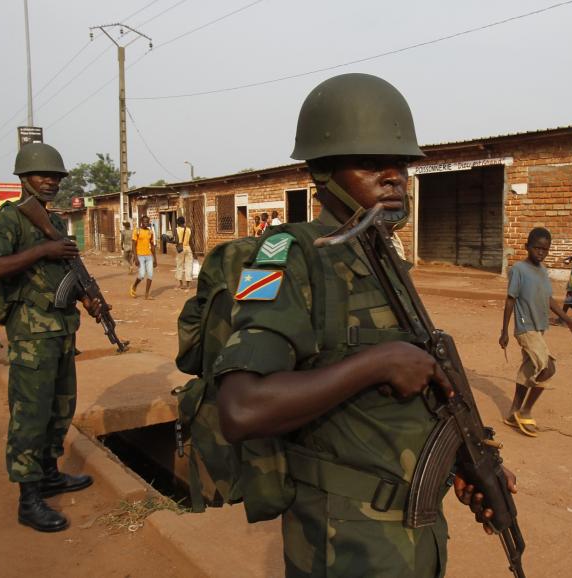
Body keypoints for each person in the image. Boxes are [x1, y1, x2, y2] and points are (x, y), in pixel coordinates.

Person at [214, 73, 515, 577]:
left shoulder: (380, 255)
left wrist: (468, 462)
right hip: (345, 543)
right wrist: (376, 363)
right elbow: (242, 409)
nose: (394, 177)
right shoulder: (281, 257)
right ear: (322, 171)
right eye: (372, 164)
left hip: (411, 533)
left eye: (400, 164)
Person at [0, 143, 103, 533]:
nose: (50, 182)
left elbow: (63, 272)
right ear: (23, 178)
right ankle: (28, 498)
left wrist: (88, 297)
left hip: (61, 332)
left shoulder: (57, 223)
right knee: (31, 414)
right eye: (42, 175)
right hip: (31, 334)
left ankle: (49, 472)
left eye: (56, 177)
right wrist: (43, 249)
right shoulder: (9, 221)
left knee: (60, 408)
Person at [500, 227, 572, 438]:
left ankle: (513, 414)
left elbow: (549, 300)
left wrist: (569, 321)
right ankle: (526, 410)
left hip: (539, 327)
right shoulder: (518, 269)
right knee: (548, 367)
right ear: (527, 247)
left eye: (545, 249)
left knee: (529, 370)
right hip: (525, 327)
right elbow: (510, 300)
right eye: (537, 248)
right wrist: (504, 331)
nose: (541, 252)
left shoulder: (543, 271)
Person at [131, 215, 157, 299]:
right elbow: (133, 245)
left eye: (147, 222)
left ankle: (146, 294)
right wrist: (135, 257)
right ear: (141, 222)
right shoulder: (137, 231)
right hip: (140, 256)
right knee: (142, 275)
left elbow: (152, 246)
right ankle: (134, 286)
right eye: (144, 221)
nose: (146, 223)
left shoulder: (150, 232)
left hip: (149, 256)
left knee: (150, 275)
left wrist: (155, 259)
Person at [173, 216, 193, 290]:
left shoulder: (176, 230)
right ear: (184, 222)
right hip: (188, 248)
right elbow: (191, 242)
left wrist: (171, 240)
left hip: (180, 249)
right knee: (189, 266)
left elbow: (177, 241)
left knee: (179, 266)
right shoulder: (189, 229)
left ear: (178, 223)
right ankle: (188, 285)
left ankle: (181, 284)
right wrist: (194, 253)